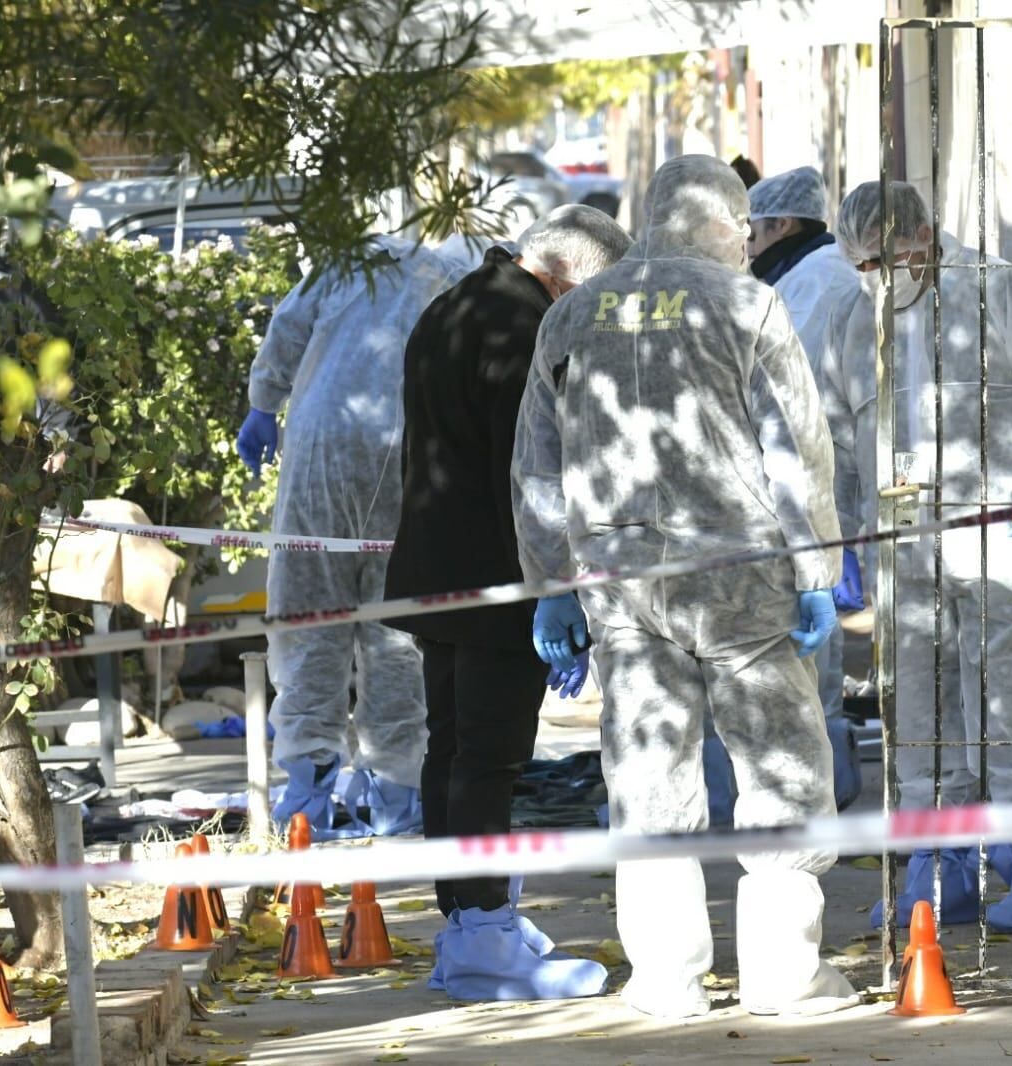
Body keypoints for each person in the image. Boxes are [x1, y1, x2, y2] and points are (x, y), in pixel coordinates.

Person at [512, 155, 857, 1019]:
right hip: (739, 575)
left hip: (621, 582)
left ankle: (665, 979)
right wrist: (815, 569)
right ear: (716, 221)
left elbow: (537, 463)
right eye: (739, 225)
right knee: (778, 766)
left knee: (647, 772)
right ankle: (784, 972)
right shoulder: (746, 304)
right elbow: (794, 448)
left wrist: (551, 582)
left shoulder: (575, 313)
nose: (747, 240)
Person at [829, 180, 1012, 932]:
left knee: (1009, 700)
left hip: (994, 526)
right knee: (918, 704)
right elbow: (834, 426)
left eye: (888, 260)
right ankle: (935, 864)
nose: (879, 278)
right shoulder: (856, 317)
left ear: (922, 236)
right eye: (863, 266)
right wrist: (844, 531)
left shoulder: (996, 291)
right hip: (902, 535)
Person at [384, 206, 632, 1001]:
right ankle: (483, 931)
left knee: (448, 747)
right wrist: (553, 585)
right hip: (500, 577)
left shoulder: (453, 301)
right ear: (566, 277)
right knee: (489, 757)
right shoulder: (523, 330)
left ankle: (466, 920)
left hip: (437, 570)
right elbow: (525, 474)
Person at [237, 236, 470, 839]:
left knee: (308, 617)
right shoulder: (453, 274)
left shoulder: (347, 261)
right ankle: (396, 791)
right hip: (407, 456)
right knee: (396, 632)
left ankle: (307, 791)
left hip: (322, 450)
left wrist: (264, 401)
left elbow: (289, 326)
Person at [745, 165, 866, 812]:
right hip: (805, 490)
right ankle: (814, 775)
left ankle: (818, 783)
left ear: (782, 225)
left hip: (808, 487)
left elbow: (796, 404)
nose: (746, 246)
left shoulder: (814, 283)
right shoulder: (799, 278)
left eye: (753, 232)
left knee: (805, 644)